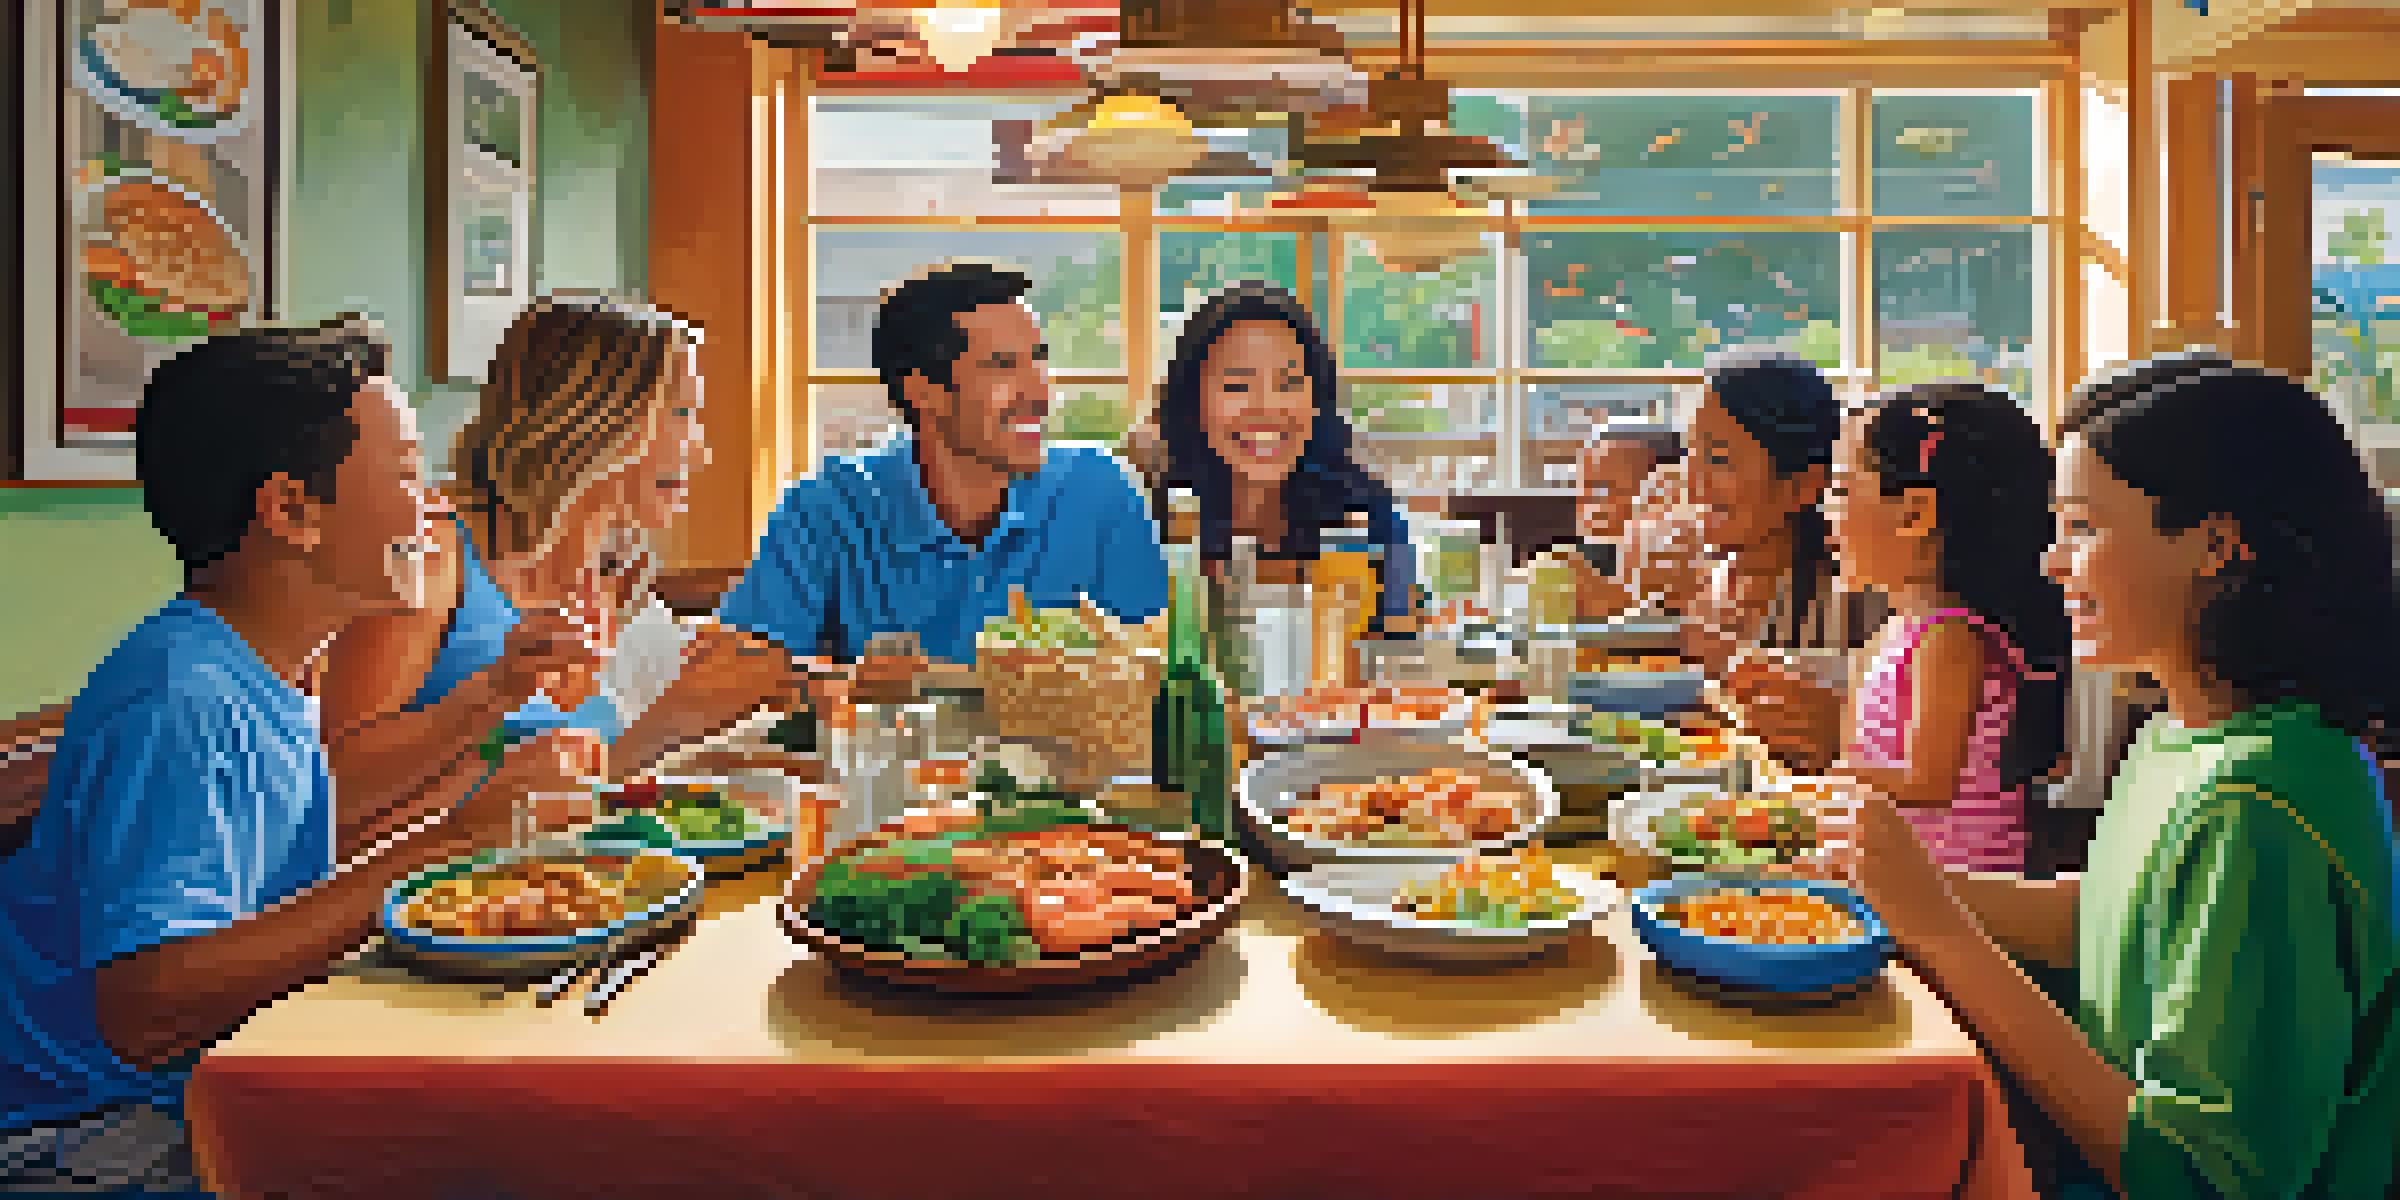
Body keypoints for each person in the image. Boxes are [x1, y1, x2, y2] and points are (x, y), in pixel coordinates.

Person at [0, 319, 593, 1192]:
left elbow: (269, 897)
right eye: (402, 475)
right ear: (290, 512)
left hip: (188, 1088)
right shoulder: (180, 697)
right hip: (87, 1136)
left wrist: (495, 694)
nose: (432, 508)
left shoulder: (263, 671)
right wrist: (446, 844)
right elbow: (146, 1010)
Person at [1842, 354, 2399, 1198]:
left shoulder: (2260, 804)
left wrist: (1942, 929)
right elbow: (2106, 921)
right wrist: (1885, 888)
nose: (2052, 565)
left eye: (2083, 528)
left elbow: (2192, 1176)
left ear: (2217, 544)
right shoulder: (2187, 731)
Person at [615, 262, 1170, 772]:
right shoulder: (827, 508)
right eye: (1003, 366)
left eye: (1038, 359)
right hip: (892, 811)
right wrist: (602, 779)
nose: (1040, 392)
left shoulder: (1101, 490)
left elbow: (1155, 675)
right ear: (923, 392)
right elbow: (736, 671)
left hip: (1076, 810)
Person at [314, 294, 736, 839]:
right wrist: (493, 716)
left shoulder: (606, 577)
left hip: (543, 899)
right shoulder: (435, 555)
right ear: (593, 416)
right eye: (679, 413)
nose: (697, 451)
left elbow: (570, 781)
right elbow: (330, 793)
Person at [1818, 383, 2070, 873]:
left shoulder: (1949, 641)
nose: (1826, 509)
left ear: (1916, 513)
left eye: (1843, 488)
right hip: (1898, 882)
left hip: (1961, 897)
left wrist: (1814, 780)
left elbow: (1927, 782)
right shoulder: (1887, 640)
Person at [1155, 281, 1416, 621]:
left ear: (1316, 399)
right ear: (1193, 400)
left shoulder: (1369, 519)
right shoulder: (1156, 522)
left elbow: (1397, 653)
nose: (1266, 409)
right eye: (1237, 385)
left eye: (1289, 383)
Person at [1678, 348, 1884, 770]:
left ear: (1803, 486)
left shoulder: (1857, 603)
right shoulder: (1706, 582)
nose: (1691, 479)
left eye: (1718, 459)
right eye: (1689, 453)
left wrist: (1846, 732)